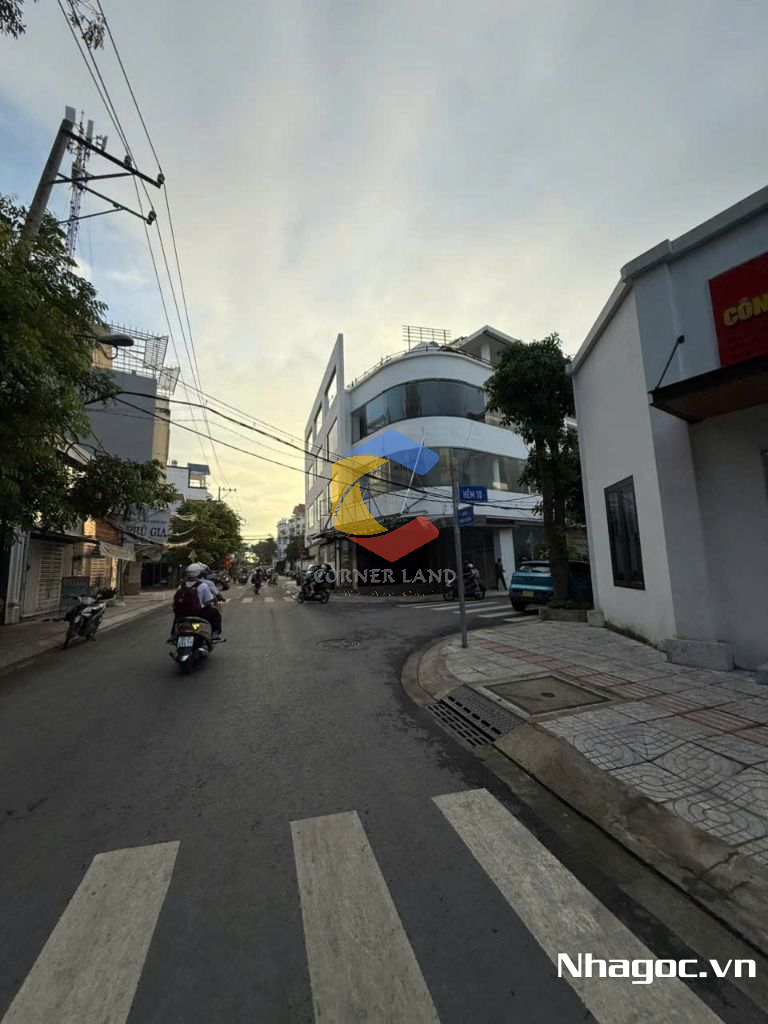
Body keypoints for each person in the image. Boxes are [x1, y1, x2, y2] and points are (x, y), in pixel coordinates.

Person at [172, 563, 225, 638]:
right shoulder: (203, 585)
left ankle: (173, 634)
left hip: (183, 615)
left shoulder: (181, 586)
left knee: (177, 616)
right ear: (198, 573)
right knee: (215, 612)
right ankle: (215, 634)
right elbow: (208, 602)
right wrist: (213, 600)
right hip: (198, 614)